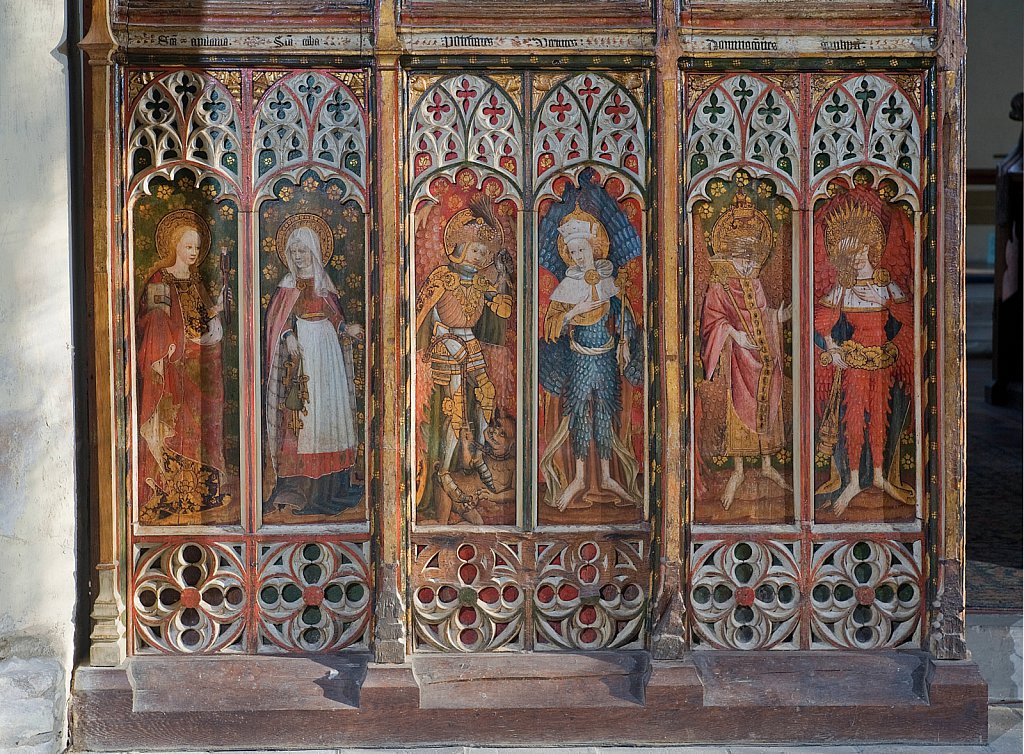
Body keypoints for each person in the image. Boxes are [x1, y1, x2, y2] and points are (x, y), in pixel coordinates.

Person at [415, 196, 513, 525]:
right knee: (454, 408)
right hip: (446, 341)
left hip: (469, 341)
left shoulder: (482, 281)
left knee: (484, 397)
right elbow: (421, 311)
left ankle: (475, 462)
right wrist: (415, 344)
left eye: (485, 252)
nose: (480, 256)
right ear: (459, 247)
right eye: (475, 249)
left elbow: (502, 312)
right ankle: (444, 470)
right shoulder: (444, 277)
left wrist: (503, 287)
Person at [539, 205, 644, 512]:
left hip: (606, 358)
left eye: (582, 249)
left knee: (605, 416)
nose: (578, 256)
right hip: (579, 360)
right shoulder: (568, 286)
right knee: (580, 415)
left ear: (593, 248)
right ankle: (579, 479)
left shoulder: (607, 278)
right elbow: (551, 324)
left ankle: (610, 477)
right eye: (572, 252)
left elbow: (621, 312)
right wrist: (572, 311)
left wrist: (625, 344)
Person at [814, 196, 914, 515]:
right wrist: (832, 347)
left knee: (880, 418)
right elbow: (822, 320)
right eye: (847, 252)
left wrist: (900, 344)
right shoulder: (844, 288)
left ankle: (881, 477)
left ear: (870, 247)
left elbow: (911, 318)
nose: (855, 258)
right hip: (855, 361)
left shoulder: (885, 287)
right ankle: (855, 480)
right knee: (855, 418)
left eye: (858, 249)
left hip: (882, 361)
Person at [264, 215, 364, 515]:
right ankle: (296, 489)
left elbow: (335, 317)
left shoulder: (324, 284)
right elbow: (275, 321)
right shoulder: (287, 285)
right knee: (302, 420)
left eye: (303, 251)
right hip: (302, 353)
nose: (297, 256)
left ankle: (330, 487)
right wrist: (286, 335)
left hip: (327, 352)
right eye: (293, 251)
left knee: (328, 412)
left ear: (314, 253)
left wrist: (348, 329)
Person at [700, 193, 791, 510]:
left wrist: (780, 318)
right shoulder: (720, 286)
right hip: (738, 359)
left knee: (768, 405)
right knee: (739, 408)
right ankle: (738, 472)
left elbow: (763, 315)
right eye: (743, 259)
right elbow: (713, 321)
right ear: (729, 257)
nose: (750, 265)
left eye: (754, 260)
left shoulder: (755, 284)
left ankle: (767, 465)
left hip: (764, 357)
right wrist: (735, 335)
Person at [137, 209, 229, 522]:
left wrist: (215, 311)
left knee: (201, 423)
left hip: (201, 361)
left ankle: (204, 489)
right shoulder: (160, 279)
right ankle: (171, 489)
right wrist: (170, 343)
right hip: (173, 364)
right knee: (176, 424)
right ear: (176, 246)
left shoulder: (196, 280)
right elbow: (154, 319)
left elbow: (202, 319)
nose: (193, 253)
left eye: (197, 248)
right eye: (189, 247)